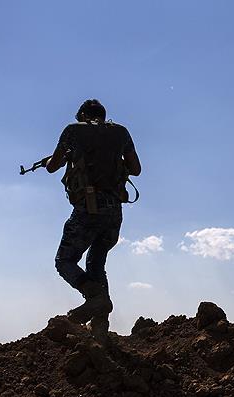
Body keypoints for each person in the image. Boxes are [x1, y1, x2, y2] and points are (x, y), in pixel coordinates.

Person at [45, 99, 142, 335]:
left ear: (83, 115)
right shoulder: (121, 132)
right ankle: (100, 325)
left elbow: (52, 166)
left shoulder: (73, 131)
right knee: (96, 262)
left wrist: (59, 158)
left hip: (88, 209)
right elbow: (136, 169)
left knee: (64, 261)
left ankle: (94, 296)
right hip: (114, 212)